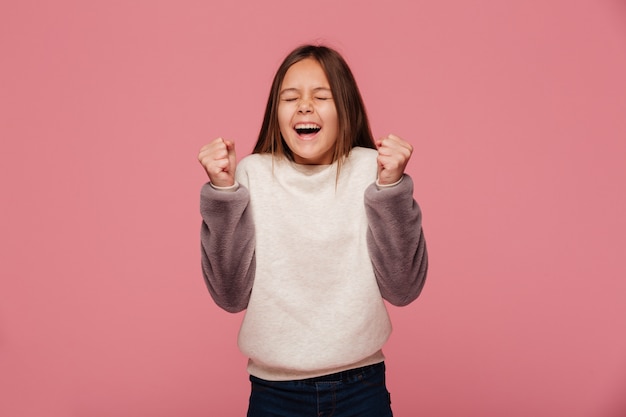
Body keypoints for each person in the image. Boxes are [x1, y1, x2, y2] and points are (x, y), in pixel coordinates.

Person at [198, 44, 428, 417]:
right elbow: (229, 296)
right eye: (291, 97)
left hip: (362, 387)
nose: (305, 105)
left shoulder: (374, 171)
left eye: (322, 96)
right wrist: (223, 194)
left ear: (345, 109)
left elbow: (403, 289)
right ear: (276, 112)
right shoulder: (251, 175)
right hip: (274, 394)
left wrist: (391, 190)